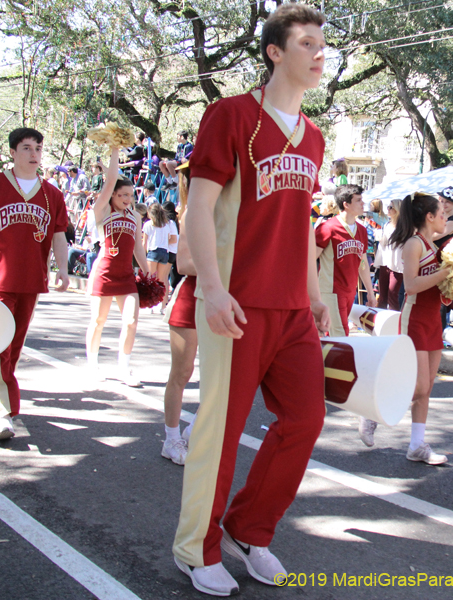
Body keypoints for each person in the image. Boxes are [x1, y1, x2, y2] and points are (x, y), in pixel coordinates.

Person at [172, 5, 331, 595]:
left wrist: (314, 295)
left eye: (322, 45)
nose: (319, 55)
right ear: (275, 52)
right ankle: (196, 547)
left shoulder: (312, 137)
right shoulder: (231, 114)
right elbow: (200, 211)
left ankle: (248, 526)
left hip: (292, 308)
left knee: (306, 420)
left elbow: (299, 222)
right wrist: (211, 289)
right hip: (235, 303)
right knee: (221, 427)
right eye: (307, 44)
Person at [0, 128, 70, 440]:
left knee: (14, 345)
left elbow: (59, 235)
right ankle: (2, 413)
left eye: (38, 147)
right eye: (26, 148)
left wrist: (62, 268)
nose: (34, 153)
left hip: (32, 279)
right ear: (12, 152)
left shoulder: (53, 194)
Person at [360, 192, 451, 460]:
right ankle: (372, 410)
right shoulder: (414, 244)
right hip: (415, 319)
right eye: (442, 214)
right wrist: (445, 273)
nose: (446, 218)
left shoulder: (433, 246)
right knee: (420, 386)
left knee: (428, 386)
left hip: (434, 318)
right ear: (429, 217)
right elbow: (410, 286)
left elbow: (437, 289)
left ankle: (416, 446)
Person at [85, 146, 150, 387]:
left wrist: (147, 271)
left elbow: (138, 249)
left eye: (131, 196)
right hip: (104, 272)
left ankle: (124, 367)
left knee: (132, 321)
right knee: (98, 321)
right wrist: (114, 150)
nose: (127, 199)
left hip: (125, 276)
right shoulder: (102, 211)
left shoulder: (135, 216)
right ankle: (92, 365)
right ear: (112, 195)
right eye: (123, 195)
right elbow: (111, 178)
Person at [161, 165, 198, 465]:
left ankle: (195, 429)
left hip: (220, 299)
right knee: (181, 374)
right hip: (192, 299)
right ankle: (171, 439)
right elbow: (184, 264)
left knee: (221, 377)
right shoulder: (189, 213)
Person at [315, 184, 376, 337]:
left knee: (329, 334)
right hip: (331, 290)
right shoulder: (328, 228)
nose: (363, 204)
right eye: (359, 200)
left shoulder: (361, 230)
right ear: (346, 204)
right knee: (341, 334)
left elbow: (363, 265)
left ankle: (319, 360)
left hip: (350, 290)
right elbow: (310, 259)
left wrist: (370, 292)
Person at [435, 186, 453, 328]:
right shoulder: (437, 217)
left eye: (448, 202)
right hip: (431, 263)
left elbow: (435, 235)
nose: (444, 204)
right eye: (442, 200)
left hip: (444, 265)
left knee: (440, 303)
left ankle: (439, 336)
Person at [142, 202, 178, 314]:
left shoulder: (148, 224)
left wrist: (143, 255)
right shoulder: (167, 224)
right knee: (162, 280)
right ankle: (162, 306)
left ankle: (150, 305)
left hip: (153, 251)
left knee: (150, 279)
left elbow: (144, 242)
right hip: (165, 252)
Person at [373, 199, 403, 310]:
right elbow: (385, 242)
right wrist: (380, 237)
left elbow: (400, 243)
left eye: (391, 207)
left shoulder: (403, 226)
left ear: (397, 210)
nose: (388, 209)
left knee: (392, 295)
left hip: (397, 264)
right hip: (385, 261)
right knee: (382, 296)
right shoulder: (387, 224)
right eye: (388, 207)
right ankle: (380, 322)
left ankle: (394, 324)